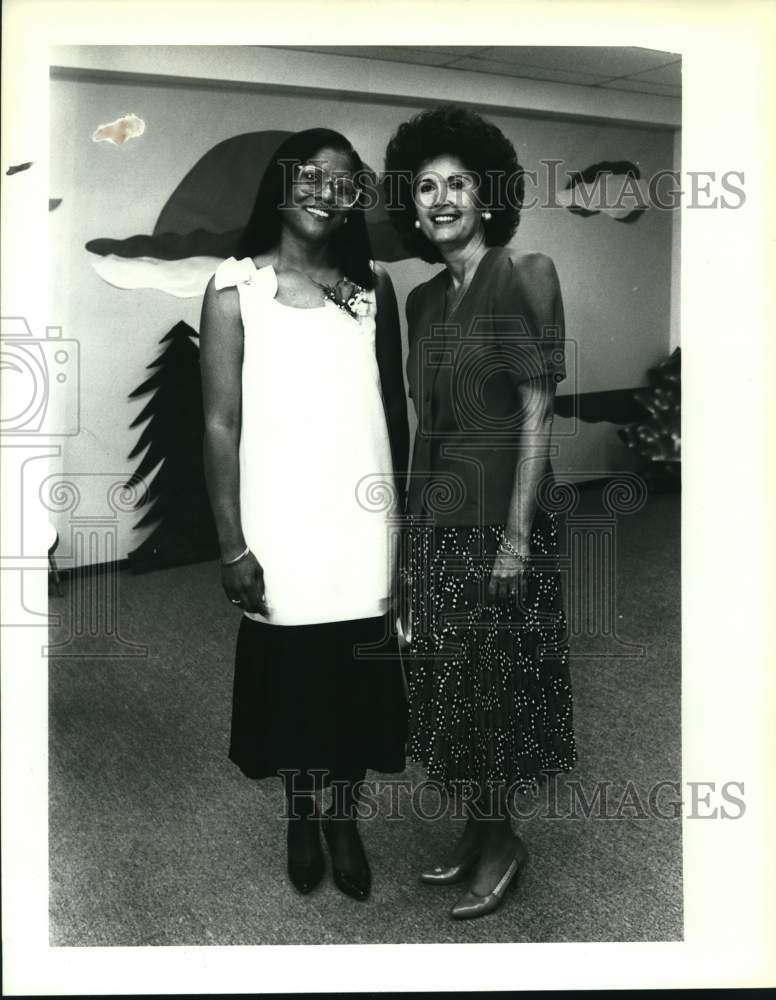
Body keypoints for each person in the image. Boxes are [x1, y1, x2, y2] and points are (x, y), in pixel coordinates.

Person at [200, 128, 409, 902]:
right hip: (280, 528)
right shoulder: (235, 288)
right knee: (293, 682)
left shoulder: (371, 286)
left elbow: (393, 410)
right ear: (281, 188)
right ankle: (300, 811)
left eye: (344, 180)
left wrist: (406, 533)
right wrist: (231, 545)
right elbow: (219, 423)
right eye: (311, 176)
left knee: (356, 680)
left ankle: (343, 817)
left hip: (364, 527)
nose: (327, 190)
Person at [384, 105, 576, 920]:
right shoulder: (421, 300)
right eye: (425, 187)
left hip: (503, 527)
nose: (441, 198)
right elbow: (425, 427)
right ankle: (477, 828)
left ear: (488, 195)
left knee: (494, 689)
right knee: (450, 688)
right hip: (439, 525)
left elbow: (537, 411)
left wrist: (516, 542)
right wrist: (406, 551)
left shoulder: (526, 272)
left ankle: (504, 843)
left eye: (457, 182)